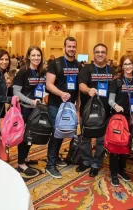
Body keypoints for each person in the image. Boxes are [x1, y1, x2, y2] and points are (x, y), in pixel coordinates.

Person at [77, 43, 115, 177]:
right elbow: (81, 85)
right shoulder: (86, 69)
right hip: (87, 110)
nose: (100, 54)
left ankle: (96, 164)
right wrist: (88, 90)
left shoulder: (111, 71)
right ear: (93, 54)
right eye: (97, 52)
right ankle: (86, 160)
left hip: (105, 111)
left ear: (106, 54)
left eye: (103, 52)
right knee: (85, 137)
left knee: (100, 140)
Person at [45, 37, 81, 179]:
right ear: (64, 47)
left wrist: (78, 105)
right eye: (69, 46)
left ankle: (54, 158)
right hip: (56, 105)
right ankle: (50, 165)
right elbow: (49, 84)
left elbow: (78, 88)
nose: (71, 49)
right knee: (56, 133)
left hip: (70, 106)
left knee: (64, 131)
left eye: (73, 46)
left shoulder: (78, 65)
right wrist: (61, 93)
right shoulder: (56, 63)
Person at [108, 54, 133, 186]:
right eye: (125, 64)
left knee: (126, 145)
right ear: (122, 66)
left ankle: (122, 169)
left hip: (132, 117)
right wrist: (116, 106)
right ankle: (114, 173)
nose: (128, 67)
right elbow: (110, 100)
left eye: (130, 64)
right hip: (119, 118)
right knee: (116, 145)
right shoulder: (117, 81)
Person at [13, 46, 45, 176]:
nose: (36, 58)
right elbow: (16, 92)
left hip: (36, 109)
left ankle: (25, 157)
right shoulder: (23, 71)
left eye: (38, 55)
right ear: (28, 57)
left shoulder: (41, 72)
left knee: (32, 134)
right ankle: (21, 164)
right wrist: (31, 101)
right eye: (33, 55)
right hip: (25, 108)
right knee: (24, 136)